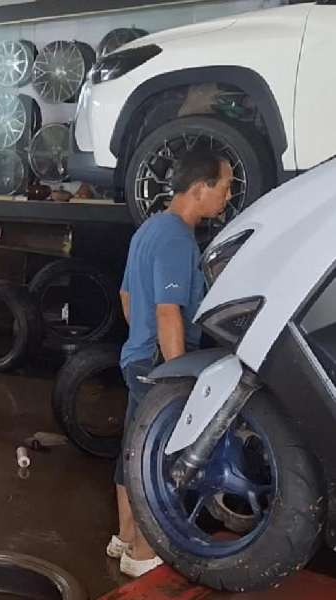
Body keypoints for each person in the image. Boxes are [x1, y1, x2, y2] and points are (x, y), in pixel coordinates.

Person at [108, 149, 233, 577]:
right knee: (159, 460)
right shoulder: (178, 237)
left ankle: (123, 538)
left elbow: (128, 297)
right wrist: (178, 378)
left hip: (137, 359)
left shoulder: (148, 230)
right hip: (160, 367)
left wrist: (140, 342)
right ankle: (143, 554)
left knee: (132, 450)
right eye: (225, 187)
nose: (228, 196)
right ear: (199, 190)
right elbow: (168, 312)